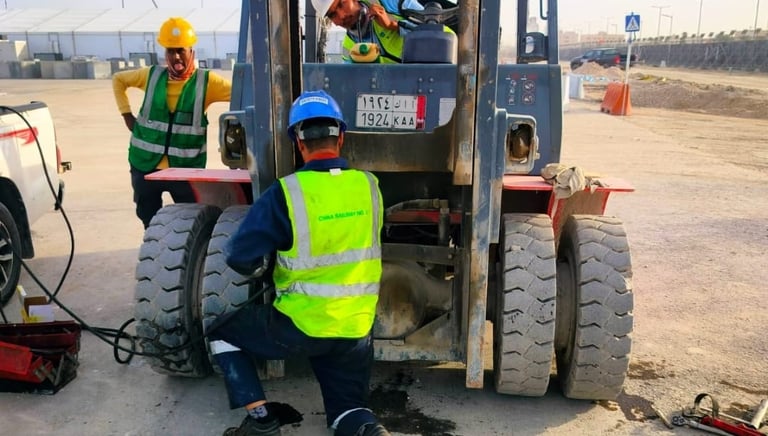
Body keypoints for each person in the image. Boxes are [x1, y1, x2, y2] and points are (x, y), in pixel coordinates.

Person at [208, 90, 389, 436]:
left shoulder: (287, 192)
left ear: (297, 141)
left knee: (220, 332)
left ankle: (261, 420)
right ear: (341, 136)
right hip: (355, 329)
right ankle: (369, 430)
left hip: (300, 325)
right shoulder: (370, 186)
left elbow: (239, 256)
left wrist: (265, 268)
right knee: (348, 414)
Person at [112, 17, 232, 229]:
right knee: (148, 219)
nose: (175, 56)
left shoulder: (207, 82)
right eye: (170, 51)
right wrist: (126, 114)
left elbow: (241, 90)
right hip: (145, 165)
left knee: (188, 223)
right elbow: (118, 80)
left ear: (191, 51)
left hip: (185, 169)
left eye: (180, 50)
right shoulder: (150, 76)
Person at [311, 0, 425, 63]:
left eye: (341, 4)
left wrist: (393, 25)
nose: (342, 15)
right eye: (332, 15)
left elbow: (436, 29)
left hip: (430, 81)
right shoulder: (348, 49)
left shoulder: (392, 4)